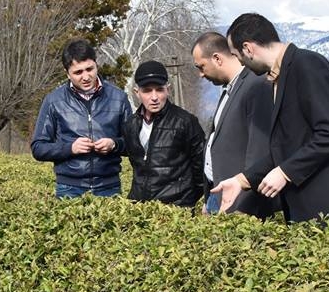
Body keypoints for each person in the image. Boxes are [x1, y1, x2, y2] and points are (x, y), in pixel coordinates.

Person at [212, 13, 329, 226]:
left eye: (237, 55)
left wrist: (285, 172)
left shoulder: (307, 65)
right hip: (309, 212)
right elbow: (286, 147)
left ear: (248, 48)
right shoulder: (280, 76)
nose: (240, 62)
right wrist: (240, 181)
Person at [31, 39, 132, 198]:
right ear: (67, 73)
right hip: (69, 188)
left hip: (109, 187)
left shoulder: (119, 98)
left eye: (89, 69)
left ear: (96, 65)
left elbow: (134, 144)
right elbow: (38, 148)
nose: (86, 77)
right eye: (78, 72)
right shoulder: (53, 101)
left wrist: (114, 144)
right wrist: (70, 148)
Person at [191, 31, 276, 218]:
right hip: (219, 195)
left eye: (201, 67)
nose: (201, 75)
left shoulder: (256, 85)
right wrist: (209, 199)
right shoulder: (229, 88)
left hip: (239, 203)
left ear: (217, 59)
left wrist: (244, 208)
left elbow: (260, 151)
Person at [122, 60, 205, 207]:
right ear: (136, 92)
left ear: (168, 89)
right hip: (140, 209)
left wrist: (186, 201)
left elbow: (201, 166)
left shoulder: (185, 122)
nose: (154, 97)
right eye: (147, 91)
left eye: (159, 90)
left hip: (176, 209)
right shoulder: (131, 124)